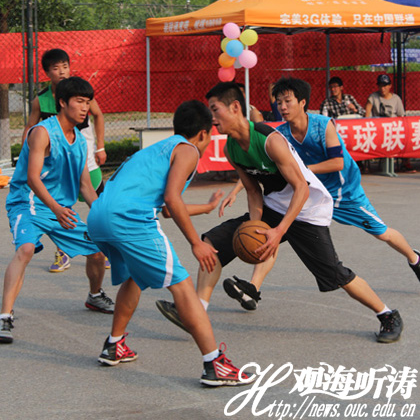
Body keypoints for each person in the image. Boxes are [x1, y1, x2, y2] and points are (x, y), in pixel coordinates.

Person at [156, 82, 403, 344]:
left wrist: (278, 232)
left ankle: (387, 314)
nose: (212, 118)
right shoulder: (232, 148)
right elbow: (253, 191)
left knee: (335, 273)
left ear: (235, 107)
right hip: (274, 205)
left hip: (306, 210)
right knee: (212, 245)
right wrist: (255, 227)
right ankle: (195, 313)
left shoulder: (269, 140)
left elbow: (301, 188)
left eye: (215, 110)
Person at [87, 100, 253, 386]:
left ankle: (114, 345)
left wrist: (205, 207)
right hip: (129, 219)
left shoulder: (159, 149)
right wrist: (196, 242)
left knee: (134, 277)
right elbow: (171, 199)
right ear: (203, 133)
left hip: (99, 217)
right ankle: (214, 364)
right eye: (210, 134)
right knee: (183, 287)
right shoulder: (188, 150)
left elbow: (167, 207)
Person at [0, 77, 114, 344]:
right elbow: (32, 178)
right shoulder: (42, 132)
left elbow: (86, 186)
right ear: (62, 102)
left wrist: (104, 215)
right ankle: (5, 316)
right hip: (28, 202)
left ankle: (94, 295)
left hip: (59, 209)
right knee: (26, 249)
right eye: (79, 101)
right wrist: (56, 209)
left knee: (97, 250)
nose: (85, 108)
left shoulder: (80, 142)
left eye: (88, 102)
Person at [22, 48, 110, 273]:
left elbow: (98, 115)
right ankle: (63, 252)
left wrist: (100, 146)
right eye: (56, 68)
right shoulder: (41, 102)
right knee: (62, 204)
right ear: (47, 72)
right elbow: (30, 127)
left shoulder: (80, 93)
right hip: (58, 162)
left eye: (65, 66)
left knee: (95, 198)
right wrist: (25, 155)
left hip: (84, 158)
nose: (62, 71)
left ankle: (105, 245)